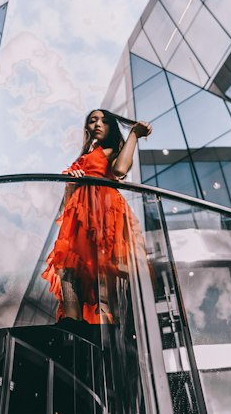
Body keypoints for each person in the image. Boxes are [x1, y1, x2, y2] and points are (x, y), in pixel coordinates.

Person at [42, 108, 152, 326]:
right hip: (80, 218)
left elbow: (120, 170)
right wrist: (73, 180)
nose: (98, 125)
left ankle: (99, 326)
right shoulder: (83, 158)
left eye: (104, 121)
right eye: (93, 121)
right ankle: (72, 325)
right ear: (87, 128)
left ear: (112, 127)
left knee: (99, 269)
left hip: (103, 213)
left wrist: (133, 135)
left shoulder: (111, 151)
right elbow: (67, 202)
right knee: (69, 268)